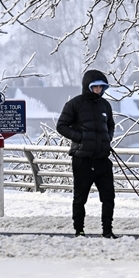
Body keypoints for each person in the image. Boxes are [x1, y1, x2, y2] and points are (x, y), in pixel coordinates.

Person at [57, 69, 117, 238]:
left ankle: (107, 231)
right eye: (95, 87)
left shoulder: (105, 105)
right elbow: (61, 126)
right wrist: (81, 137)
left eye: (101, 87)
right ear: (87, 86)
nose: (98, 90)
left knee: (109, 197)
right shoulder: (75, 104)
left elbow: (111, 125)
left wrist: (108, 138)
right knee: (80, 198)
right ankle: (79, 230)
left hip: (102, 159)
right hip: (82, 160)